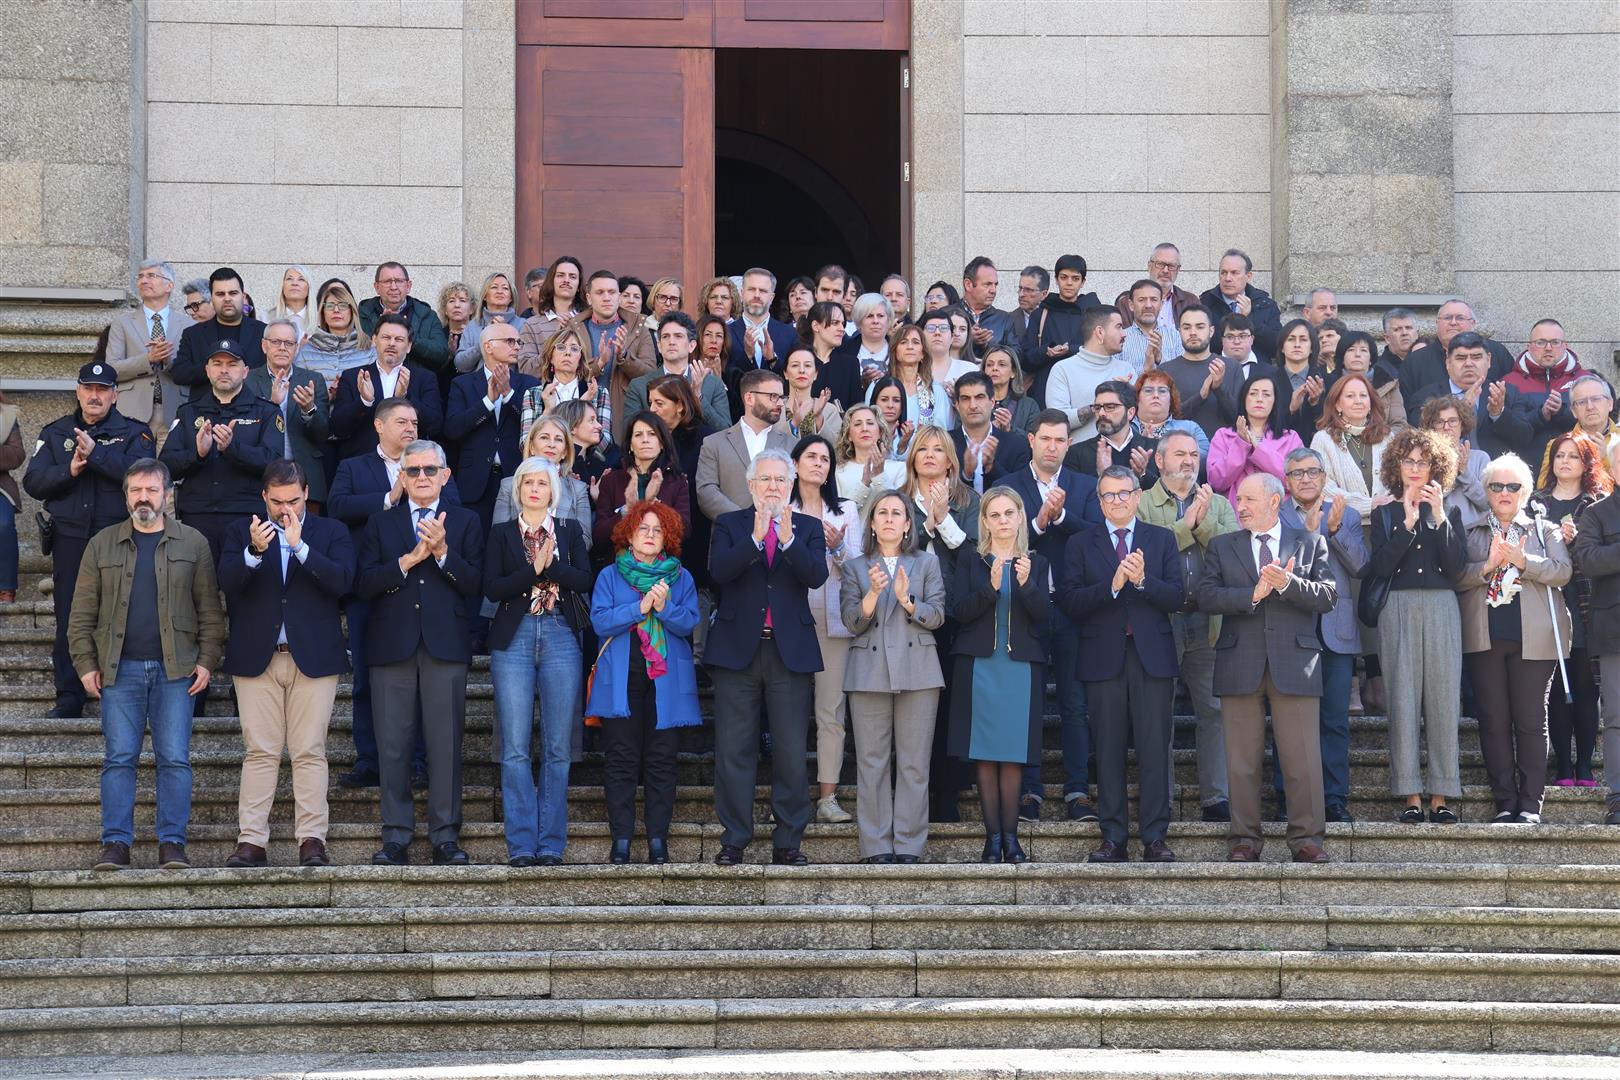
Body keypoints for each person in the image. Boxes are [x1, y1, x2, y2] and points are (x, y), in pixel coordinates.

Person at [69, 459, 224, 871]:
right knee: (119, 758)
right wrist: (86, 664)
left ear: (168, 495)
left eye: (151, 490)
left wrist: (208, 661)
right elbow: (81, 614)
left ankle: (172, 843)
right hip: (119, 671)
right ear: (125, 497)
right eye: (135, 490)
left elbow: (210, 610)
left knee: (174, 757)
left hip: (177, 672)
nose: (143, 498)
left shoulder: (193, 543)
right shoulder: (101, 545)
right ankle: (116, 844)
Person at [1196, 472, 1337, 863]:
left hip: (1296, 663)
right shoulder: (1223, 547)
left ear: (1275, 502)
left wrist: (1288, 584)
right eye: (1238, 499)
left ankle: (1307, 839)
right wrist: (1251, 594)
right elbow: (1205, 597)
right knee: (1241, 761)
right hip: (1240, 661)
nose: (1239, 506)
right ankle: (1244, 840)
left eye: (1248, 500)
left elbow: (1328, 597)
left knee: (1302, 760)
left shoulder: (1309, 543)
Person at [217, 460, 352, 869]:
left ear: (307, 494)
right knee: (260, 751)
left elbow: (343, 582)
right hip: (257, 657)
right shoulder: (242, 533)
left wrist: (300, 548)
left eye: (293, 500)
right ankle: (251, 841)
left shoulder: (331, 532)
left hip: (313, 656)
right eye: (276, 501)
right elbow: (226, 583)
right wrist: (255, 553)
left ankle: (312, 839)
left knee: (310, 751)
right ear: (264, 497)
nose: (285, 509)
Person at [356, 439, 483, 866]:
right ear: (402, 477)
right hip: (391, 646)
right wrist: (408, 560)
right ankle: (396, 835)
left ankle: (445, 836)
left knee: (445, 744)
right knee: (392, 746)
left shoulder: (465, 522)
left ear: (446, 476)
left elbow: (476, 585)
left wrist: (444, 553)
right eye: (414, 471)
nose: (423, 477)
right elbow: (364, 584)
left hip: (444, 647)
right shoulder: (380, 524)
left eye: (431, 470)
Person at [706, 449, 828, 866]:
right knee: (733, 749)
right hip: (737, 651)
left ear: (791, 486)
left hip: (788, 652)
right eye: (766, 480)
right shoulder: (729, 525)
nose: (773, 487)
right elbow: (719, 572)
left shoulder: (809, 528)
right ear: (751, 485)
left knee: (792, 750)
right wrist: (756, 538)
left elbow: (816, 576)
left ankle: (788, 841)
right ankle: (734, 838)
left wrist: (788, 539)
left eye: (781, 480)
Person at [326, 398, 452, 789]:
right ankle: (370, 760)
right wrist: (390, 496)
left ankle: (415, 760)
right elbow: (337, 507)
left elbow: (456, 512)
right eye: (401, 421)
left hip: (425, 587)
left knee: (416, 679)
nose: (411, 427)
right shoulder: (353, 466)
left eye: (415, 421)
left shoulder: (433, 466)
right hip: (372, 587)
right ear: (379, 426)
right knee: (366, 677)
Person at [1062, 466, 1184, 863]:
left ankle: (1154, 838)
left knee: (1154, 749)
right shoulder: (1080, 543)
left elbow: (1178, 598)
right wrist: (1113, 586)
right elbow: (1070, 602)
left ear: (1137, 496)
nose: (1117, 501)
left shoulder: (1161, 539)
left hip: (1152, 658)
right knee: (1108, 749)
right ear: (1099, 502)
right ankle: (1112, 837)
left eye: (1124, 493)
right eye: (1108, 495)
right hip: (1103, 658)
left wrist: (1144, 581)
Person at [25, 362, 156, 719]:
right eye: (88, 388)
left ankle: (122, 690)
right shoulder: (56, 433)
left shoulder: (135, 433)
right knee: (70, 616)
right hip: (70, 539)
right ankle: (70, 695)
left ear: (115, 395)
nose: (94, 395)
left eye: (102, 389)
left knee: (125, 614)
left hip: (119, 538)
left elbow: (143, 476)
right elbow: (33, 482)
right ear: (78, 391)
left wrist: (96, 456)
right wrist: (68, 470)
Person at [485, 457, 592, 866]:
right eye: (527, 482)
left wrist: (553, 567)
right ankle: (522, 844)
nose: (534, 488)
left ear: (553, 490)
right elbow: (492, 588)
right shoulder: (500, 534)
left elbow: (584, 580)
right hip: (515, 636)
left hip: (561, 635)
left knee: (557, 747)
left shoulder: (567, 529)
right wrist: (534, 569)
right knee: (514, 747)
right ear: (518, 491)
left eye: (541, 483)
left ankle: (551, 843)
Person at [1458, 453, 1572, 825]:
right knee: (1492, 720)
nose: (1504, 493)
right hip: (1484, 636)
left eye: (1513, 486)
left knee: (1529, 720)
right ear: (1486, 491)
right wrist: (1487, 567)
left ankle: (1530, 804)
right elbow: (1457, 577)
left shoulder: (1544, 529)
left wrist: (1524, 562)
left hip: (1534, 638)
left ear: (1525, 491)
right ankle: (1504, 801)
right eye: (1496, 486)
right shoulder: (1472, 531)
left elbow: (1563, 572)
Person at [585, 498, 699, 865]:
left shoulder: (681, 577)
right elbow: (600, 621)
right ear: (629, 534)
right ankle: (621, 838)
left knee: (662, 759)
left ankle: (657, 841)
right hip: (622, 677)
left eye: (658, 530)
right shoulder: (609, 575)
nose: (650, 535)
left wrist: (665, 608)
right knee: (620, 757)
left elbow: (689, 624)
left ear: (668, 537)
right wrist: (641, 608)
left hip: (665, 679)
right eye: (643, 528)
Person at [1364, 427, 1468, 823]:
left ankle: (1441, 795)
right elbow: (1381, 567)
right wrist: (1407, 523)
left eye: (1423, 461)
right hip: (1398, 608)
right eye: (1408, 460)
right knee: (1403, 699)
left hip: (1442, 607)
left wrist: (1437, 516)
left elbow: (1457, 568)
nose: (1415, 468)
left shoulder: (1451, 512)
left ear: (1435, 467)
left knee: (1444, 700)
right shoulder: (1385, 514)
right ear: (1397, 465)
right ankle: (1410, 793)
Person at [837, 489, 946, 862]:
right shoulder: (854, 567)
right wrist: (873, 596)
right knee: (871, 761)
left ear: (906, 524)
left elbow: (937, 616)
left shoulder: (926, 564)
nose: (888, 518)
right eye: (881, 512)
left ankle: (910, 845)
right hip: (867, 672)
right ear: (871, 523)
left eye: (896, 513)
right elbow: (852, 622)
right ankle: (876, 846)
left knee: (915, 763)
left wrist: (906, 600)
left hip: (919, 672)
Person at [1005, 409, 1103, 820]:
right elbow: (1001, 535)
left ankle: (1077, 788)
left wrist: (1060, 516)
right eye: (1045, 438)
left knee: (1075, 704)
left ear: (1068, 443)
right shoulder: (1008, 485)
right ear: (1031, 439)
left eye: (1060, 440)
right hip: (1024, 608)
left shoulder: (1085, 485)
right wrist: (1039, 523)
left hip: (1072, 609)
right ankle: (1029, 788)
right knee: (1025, 702)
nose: (1052, 446)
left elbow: (1098, 535)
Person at [1138, 430, 1237, 821]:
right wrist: (1186, 526)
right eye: (1179, 454)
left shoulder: (1219, 503)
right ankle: (1160, 798)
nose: (1188, 461)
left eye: (1194, 454)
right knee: (1158, 714)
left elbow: (1234, 554)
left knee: (1213, 711)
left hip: (1208, 621)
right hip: (1160, 622)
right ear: (1159, 461)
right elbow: (1141, 554)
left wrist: (1200, 523)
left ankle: (1216, 799)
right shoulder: (1142, 502)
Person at [947, 486, 1048, 862]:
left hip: (1019, 669)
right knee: (985, 755)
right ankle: (993, 841)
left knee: (1012, 754)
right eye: (995, 515)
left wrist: (1027, 585)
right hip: (980, 667)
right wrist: (990, 589)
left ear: (1020, 517)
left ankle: (1013, 838)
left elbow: (1044, 617)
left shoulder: (1035, 562)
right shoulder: (972, 561)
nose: (1003, 521)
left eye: (1009, 513)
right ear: (985, 521)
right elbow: (960, 611)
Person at [1279, 447, 1367, 823]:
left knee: (1334, 719)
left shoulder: (1344, 514)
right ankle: (1288, 798)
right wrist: (1309, 537)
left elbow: (1361, 566)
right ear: (1287, 481)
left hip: (1335, 630)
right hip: (1290, 630)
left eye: (1313, 472)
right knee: (1289, 721)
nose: (1307, 479)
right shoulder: (1276, 513)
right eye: (1298, 474)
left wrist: (1332, 533)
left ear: (1324, 476)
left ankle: (1334, 798)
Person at [158, 338, 284, 567]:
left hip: (246, 516)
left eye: (232, 364)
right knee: (197, 593)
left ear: (245, 371)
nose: (224, 370)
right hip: (197, 516)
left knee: (243, 591)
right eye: (217, 363)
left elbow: (274, 464)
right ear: (207, 370)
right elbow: (165, 466)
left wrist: (232, 449)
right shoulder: (188, 412)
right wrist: (198, 453)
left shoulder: (266, 412)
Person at [789, 434, 862, 824]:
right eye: (811, 456)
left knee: (831, 711)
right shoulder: (783, 508)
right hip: (792, 622)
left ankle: (827, 797)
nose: (819, 463)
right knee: (790, 713)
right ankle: (790, 795)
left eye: (825, 459)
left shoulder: (846, 510)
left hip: (834, 621)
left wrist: (836, 548)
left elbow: (861, 569)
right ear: (795, 463)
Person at [1537, 433, 1610, 786]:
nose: (1565, 461)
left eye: (1573, 456)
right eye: (1559, 455)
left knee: (1584, 685)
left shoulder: (1596, 503)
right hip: (1546, 605)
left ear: (1587, 464)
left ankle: (1584, 766)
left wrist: (1575, 538)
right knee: (1554, 687)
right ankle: (1562, 766)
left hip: (1585, 604)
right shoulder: (1534, 503)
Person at [444, 322, 539, 535]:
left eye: (518, 342)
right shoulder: (463, 384)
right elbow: (452, 429)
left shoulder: (529, 383)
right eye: (509, 341)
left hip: (516, 478)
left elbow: (536, 429)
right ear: (488, 346)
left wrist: (508, 394)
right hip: (475, 483)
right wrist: (487, 402)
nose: (516, 346)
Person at [1572, 442, 1620, 825]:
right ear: (1611, 468)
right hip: (1613, 629)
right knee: (1617, 718)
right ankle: (1619, 798)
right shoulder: (1596, 513)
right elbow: (1587, 559)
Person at [329, 313, 445, 458]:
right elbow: (338, 428)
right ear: (374, 340)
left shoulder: (425, 378)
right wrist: (364, 401)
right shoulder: (353, 377)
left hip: (410, 465)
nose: (391, 343)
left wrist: (405, 398)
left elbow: (435, 426)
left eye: (399, 339)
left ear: (409, 346)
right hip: (364, 464)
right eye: (386, 337)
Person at [562, 271, 657, 444]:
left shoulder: (638, 327)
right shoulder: (573, 329)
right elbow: (565, 372)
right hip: (581, 416)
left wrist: (623, 357)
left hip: (625, 414)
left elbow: (650, 374)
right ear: (589, 298)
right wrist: (600, 363)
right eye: (600, 292)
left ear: (619, 297)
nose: (607, 298)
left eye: (612, 292)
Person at [1406, 332, 1535, 457]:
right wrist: (1462, 409)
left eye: (1476, 357)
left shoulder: (1507, 392)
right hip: (1444, 470)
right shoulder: (1426, 397)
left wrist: (1498, 414)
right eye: (1461, 358)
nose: (1468, 364)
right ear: (1448, 362)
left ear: (1489, 360)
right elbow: (1421, 439)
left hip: (1494, 473)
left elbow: (1524, 439)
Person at [695, 368, 796, 522]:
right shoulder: (714, 443)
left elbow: (799, 492)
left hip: (779, 538)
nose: (781, 404)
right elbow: (706, 493)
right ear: (749, 398)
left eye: (782, 397)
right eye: (773, 396)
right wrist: (744, 520)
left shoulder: (793, 444)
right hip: (730, 538)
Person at [250, 318, 331, 506]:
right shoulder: (249, 381)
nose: (282, 347)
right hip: (261, 477)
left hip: (305, 477)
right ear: (264, 346)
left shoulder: (313, 380)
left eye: (289, 343)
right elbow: (245, 433)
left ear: (296, 348)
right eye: (276, 342)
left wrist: (308, 409)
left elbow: (322, 434)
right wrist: (271, 405)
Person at [593, 412, 692, 554]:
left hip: (663, 567)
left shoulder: (677, 481)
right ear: (631, 445)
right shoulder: (611, 480)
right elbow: (599, 537)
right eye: (638, 434)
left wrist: (655, 505)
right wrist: (625, 511)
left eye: (652, 434)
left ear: (662, 443)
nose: (645, 440)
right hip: (620, 567)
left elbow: (685, 531)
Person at [104, 259, 184, 429]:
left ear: (169, 286)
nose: (144, 281)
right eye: (140, 277)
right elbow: (111, 369)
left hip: (175, 410)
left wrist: (167, 360)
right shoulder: (122, 323)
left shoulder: (188, 324)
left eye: (151, 276)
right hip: (133, 411)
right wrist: (148, 359)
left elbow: (192, 370)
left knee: (170, 457)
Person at [622, 311, 730, 433]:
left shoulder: (713, 384)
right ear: (659, 346)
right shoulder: (639, 386)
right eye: (666, 336)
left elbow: (725, 431)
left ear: (692, 345)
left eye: (678, 336)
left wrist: (698, 397)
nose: (671, 342)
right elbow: (629, 433)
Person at [1208, 371, 1303, 509]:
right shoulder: (1223, 436)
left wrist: (1258, 449)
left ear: (1274, 401)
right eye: (1253, 393)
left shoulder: (1291, 438)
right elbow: (1217, 482)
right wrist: (1241, 444)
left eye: (1266, 394)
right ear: (1244, 398)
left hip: (1279, 515)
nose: (1259, 399)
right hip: (1237, 515)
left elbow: (1294, 482)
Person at [1505, 318, 1589, 471]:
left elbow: (1595, 424)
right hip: (1524, 474)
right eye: (1541, 342)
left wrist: (1561, 412)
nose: (1548, 348)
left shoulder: (1585, 380)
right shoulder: (1509, 382)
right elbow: (1508, 431)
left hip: (1577, 473)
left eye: (1555, 342)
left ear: (1565, 346)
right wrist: (1541, 415)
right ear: (1529, 346)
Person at [1398, 298, 1516, 403]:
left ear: (1473, 324)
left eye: (1460, 318)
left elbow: (1511, 393)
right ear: (1437, 323)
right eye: (1447, 318)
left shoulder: (1497, 352)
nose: (1453, 322)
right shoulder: (1416, 361)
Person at [1310, 373, 1395, 518]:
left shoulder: (1387, 437)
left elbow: (1398, 478)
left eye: (1363, 395)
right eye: (1350, 396)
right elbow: (1323, 487)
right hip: (1345, 527)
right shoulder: (1323, 439)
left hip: (1386, 524)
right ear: (1337, 405)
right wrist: (1369, 504)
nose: (1358, 401)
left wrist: (1389, 500)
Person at [1047, 305, 1133, 444]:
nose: (1124, 334)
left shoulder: (1126, 369)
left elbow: (1137, 415)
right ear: (1100, 332)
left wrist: (1129, 394)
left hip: (1121, 459)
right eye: (1118, 327)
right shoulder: (1063, 369)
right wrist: (1100, 405)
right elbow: (1056, 419)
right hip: (1077, 460)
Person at [171, 267, 267, 392]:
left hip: (253, 408)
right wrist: (213, 369)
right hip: (205, 409)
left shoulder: (263, 332)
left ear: (242, 296)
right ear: (211, 299)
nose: (227, 299)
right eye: (220, 294)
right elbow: (179, 374)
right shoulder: (193, 334)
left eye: (233, 293)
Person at [519, 326, 612, 448]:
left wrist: (582, 405)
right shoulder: (533, 394)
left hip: (585, 464)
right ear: (550, 357)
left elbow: (605, 443)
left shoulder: (598, 393)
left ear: (580, 359)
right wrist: (547, 411)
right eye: (561, 347)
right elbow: (525, 444)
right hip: (546, 465)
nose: (567, 353)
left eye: (574, 349)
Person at [357, 261, 450, 378]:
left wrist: (407, 334)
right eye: (387, 282)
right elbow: (356, 351)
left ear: (408, 286)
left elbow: (441, 355)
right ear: (377, 287)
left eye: (399, 281)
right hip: (372, 381)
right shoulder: (362, 313)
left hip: (416, 384)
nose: (393, 287)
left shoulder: (426, 315)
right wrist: (380, 328)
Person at [292, 284, 377, 410]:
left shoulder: (369, 351)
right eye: (330, 306)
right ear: (323, 313)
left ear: (352, 311)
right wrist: (327, 396)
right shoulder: (306, 352)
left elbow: (376, 396)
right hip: (315, 425)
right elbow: (296, 399)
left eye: (342, 305)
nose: (336, 310)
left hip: (358, 424)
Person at [1159, 305, 1233, 438]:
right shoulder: (1165, 370)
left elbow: (1238, 418)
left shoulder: (1230, 366)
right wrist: (1201, 396)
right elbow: (1165, 421)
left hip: (1223, 453)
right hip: (1178, 453)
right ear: (1179, 330)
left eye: (1200, 327)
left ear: (1211, 331)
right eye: (1187, 327)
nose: (1193, 332)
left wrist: (1219, 388)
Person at [950, 371, 1030, 493]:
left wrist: (991, 467)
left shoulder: (1017, 445)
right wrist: (966, 474)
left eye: (979, 397)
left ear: (992, 402)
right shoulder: (944, 443)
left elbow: (1021, 494)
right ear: (956, 405)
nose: (973, 405)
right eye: (965, 399)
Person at [1422, 395, 1492, 531]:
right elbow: (1423, 503)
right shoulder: (1423, 460)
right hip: (1434, 531)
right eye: (1439, 422)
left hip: (1474, 534)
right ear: (1432, 427)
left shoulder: (1480, 458)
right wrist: (1453, 471)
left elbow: (1487, 503)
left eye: (1453, 421)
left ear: (1462, 424)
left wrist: (1464, 472)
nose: (1446, 427)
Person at [1198, 249, 1282, 361]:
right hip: (1217, 372)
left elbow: (1276, 347)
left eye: (1234, 273)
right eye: (1223, 273)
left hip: (1258, 374)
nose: (1227, 278)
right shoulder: (1205, 303)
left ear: (1249, 276)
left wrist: (1249, 319)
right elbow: (1201, 344)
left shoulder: (1265, 304)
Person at [1064, 380, 1155, 482]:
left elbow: (1168, 493)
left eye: (1110, 407)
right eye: (1097, 408)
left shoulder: (1154, 448)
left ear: (1130, 412)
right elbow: (1076, 496)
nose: (1102, 413)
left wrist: (1142, 474)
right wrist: (1102, 477)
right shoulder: (1076, 454)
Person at [876, 322, 949, 433]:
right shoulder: (877, 387)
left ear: (923, 353)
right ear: (895, 351)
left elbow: (940, 433)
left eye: (915, 342)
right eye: (903, 342)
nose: (910, 347)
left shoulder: (935, 390)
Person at [1330, 329, 1406, 434]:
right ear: (1342, 357)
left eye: (1363, 350)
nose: (1357, 354)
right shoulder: (1329, 383)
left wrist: (1378, 439)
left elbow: (1400, 425)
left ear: (1371, 358)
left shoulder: (1388, 384)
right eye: (1351, 350)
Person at [517, 255, 584, 373]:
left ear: (579, 285)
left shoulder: (588, 320)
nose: (566, 280)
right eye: (560, 275)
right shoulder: (531, 325)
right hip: (546, 390)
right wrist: (555, 340)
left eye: (572, 277)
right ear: (551, 282)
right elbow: (526, 370)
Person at [834, 403, 906, 512]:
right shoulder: (838, 472)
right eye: (858, 424)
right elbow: (840, 515)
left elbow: (900, 510)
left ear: (880, 432)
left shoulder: (900, 469)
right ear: (849, 435)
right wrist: (864, 484)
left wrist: (880, 475)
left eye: (870, 423)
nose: (864, 428)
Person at [452, 271, 528, 372]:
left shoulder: (523, 325)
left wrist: (505, 334)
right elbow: (461, 365)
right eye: (494, 287)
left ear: (511, 297)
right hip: (480, 384)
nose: (500, 291)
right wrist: (485, 339)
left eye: (505, 288)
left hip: (513, 384)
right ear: (484, 296)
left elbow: (527, 363)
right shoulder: (473, 325)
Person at [726, 267, 798, 375]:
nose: (756, 295)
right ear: (742, 293)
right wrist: (747, 356)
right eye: (751, 289)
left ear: (771, 298)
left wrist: (772, 359)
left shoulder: (790, 334)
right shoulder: (726, 332)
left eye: (763, 291)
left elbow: (794, 378)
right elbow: (724, 378)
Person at [1132, 367, 1209, 464]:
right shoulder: (1126, 428)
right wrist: (1141, 443)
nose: (1156, 395)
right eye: (1148, 390)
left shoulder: (1190, 428)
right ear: (1137, 397)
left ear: (1171, 398)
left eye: (1162, 391)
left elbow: (1206, 459)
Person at [777, 346, 843, 447]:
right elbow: (770, 445)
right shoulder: (775, 408)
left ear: (816, 374)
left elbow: (839, 448)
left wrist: (819, 417)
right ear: (785, 373)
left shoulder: (829, 410)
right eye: (795, 365)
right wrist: (794, 422)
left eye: (807, 365)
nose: (802, 370)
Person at [1274, 318, 1327, 441]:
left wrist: (1315, 403)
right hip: (1279, 450)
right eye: (1291, 339)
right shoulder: (1269, 381)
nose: (1297, 344)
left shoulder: (1327, 380)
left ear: (1312, 347)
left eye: (1303, 340)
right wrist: (1291, 410)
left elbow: (1330, 424)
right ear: (1282, 347)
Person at [1117, 278, 1182, 375]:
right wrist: (1146, 370)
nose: (1148, 305)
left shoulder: (1175, 336)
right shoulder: (1120, 338)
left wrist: (1160, 359)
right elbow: (1115, 379)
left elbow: (1181, 377)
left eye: (1154, 300)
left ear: (1161, 305)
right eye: (1142, 300)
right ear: (1131, 305)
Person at [839, 292, 894, 390]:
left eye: (880, 316)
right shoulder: (843, 351)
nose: (875, 321)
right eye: (869, 316)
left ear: (888, 320)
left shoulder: (898, 349)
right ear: (859, 321)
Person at [982, 344, 1040, 437]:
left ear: (1013, 372)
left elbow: (1035, 443)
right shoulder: (973, 402)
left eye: (1002, 364)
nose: (994, 368)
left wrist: (1010, 429)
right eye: (989, 365)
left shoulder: (1029, 405)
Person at [264, 265, 317, 341]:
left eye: (301, 279)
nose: (295, 283)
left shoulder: (319, 320)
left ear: (309, 287)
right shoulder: (266, 318)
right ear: (282, 286)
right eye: (289, 279)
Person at [1010, 265, 1048, 345]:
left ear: (1044, 294)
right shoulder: (1008, 320)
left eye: (1028, 290)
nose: (1021, 294)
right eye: (1020, 288)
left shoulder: (1053, 319)